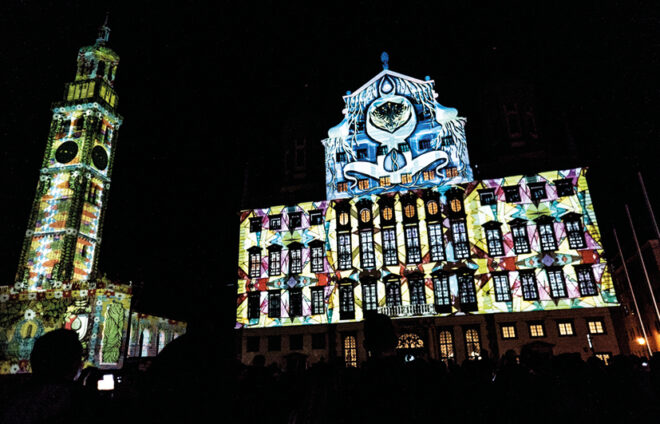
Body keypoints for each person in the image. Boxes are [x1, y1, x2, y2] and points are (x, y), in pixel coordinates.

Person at [1, 329, 102, 424]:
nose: (82, 364)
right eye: (79, 359)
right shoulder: (79, 400)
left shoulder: (15, 399)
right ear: (72, 365)